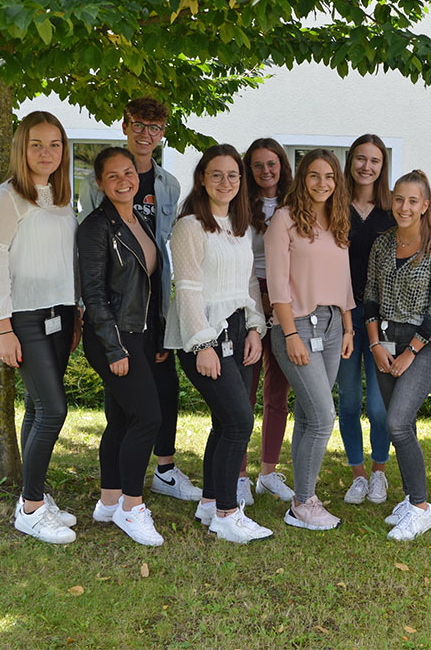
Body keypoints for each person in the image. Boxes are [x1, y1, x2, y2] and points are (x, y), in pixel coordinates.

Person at [78, 97, 200, 503]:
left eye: (155, 127)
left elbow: (160, 249)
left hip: (152, 308)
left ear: (163, 132)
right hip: (116, 315)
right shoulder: (102, 192)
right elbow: (95, 262)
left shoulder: (168, 185)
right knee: (136, 411)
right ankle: (124, 499)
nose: (146, 134)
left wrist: (164, 316)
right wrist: (104, 328)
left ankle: (151, 478)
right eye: (139, 125)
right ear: (125, 125)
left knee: (158, 395)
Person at [0, 110, 80, 544]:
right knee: (54, 409)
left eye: (54, 144)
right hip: (25, 318)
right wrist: (4, 328)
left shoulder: (59, 197)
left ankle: (32, 492)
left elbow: (65, 261)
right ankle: (31, 509)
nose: (46, 153)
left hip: (61, 314)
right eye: (36, 144)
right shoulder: (5, 198)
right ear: (21, 148)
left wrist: (75, 312)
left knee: (38, 408)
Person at [166, 145, 271, 544]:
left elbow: (247, 283)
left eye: (233, 175)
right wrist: (202, 344)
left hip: (241, 330)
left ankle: (211, 501)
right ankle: (228, 515)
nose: (225, 182)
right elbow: (188, 290)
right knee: (240, 421)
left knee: (225, 422)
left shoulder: (240, 226)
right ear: (202, 179)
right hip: (206, 334)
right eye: (216, 175)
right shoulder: (191, 226)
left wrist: (257, 329)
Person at [78, 148, 167, 546]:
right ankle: (132, 508)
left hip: (141, 334)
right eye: (112, 176)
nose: (122, 180)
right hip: (113, 338)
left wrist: (158, 334)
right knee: (148, 417)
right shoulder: (96, 227)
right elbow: (94, 295)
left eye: (128, 172)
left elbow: (149, 286)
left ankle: (109, 500)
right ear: (100, 183)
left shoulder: (138, 220)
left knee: (121, 420)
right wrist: (115, 349)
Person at [267, 149, 356, 531]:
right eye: (315, 176)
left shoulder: (337, 221)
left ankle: (302, 495)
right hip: (299, 323)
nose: (323, 183)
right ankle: (304, 502)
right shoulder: (284, 221)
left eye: (330, 177)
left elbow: (344, 279)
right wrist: (290, 333)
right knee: (323, 416)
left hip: (334, 324)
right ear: (302, 178)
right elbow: (276, 284)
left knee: (308, 414)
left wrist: (349, 327)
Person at [365, 171, 431, 540]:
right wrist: (374, 344)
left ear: (425, 205)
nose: (404, 207)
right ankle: (409, 497)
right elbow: (369, 295)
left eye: (412, 201)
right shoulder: (382, 244)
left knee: (398, 423)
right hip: (384, 340)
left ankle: (420, 507)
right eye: (399, 199)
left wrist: (411, 352)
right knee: (401, 425)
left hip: (426, 343)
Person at [338, 135, 395, 506]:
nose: (367, 166)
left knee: (378, 405)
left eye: (374, 160)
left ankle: (379, 472)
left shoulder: (392, 212)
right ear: (351, 161)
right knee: (348, 401)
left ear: (382, 166)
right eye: (361, 158)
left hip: (383, 320)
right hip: (340, 317)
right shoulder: (334, 207)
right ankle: (357, 474)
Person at [240, 138, 296, 503]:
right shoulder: (240, 204)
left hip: (285, 297)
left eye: (272, 163)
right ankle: (239, 474)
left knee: (278, 390)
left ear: (282, 165)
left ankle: (269, 472)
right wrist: (256, 299)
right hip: (247, 292)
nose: (265, 171)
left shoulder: (295, 203)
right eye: (258, 165)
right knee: (244, 387)